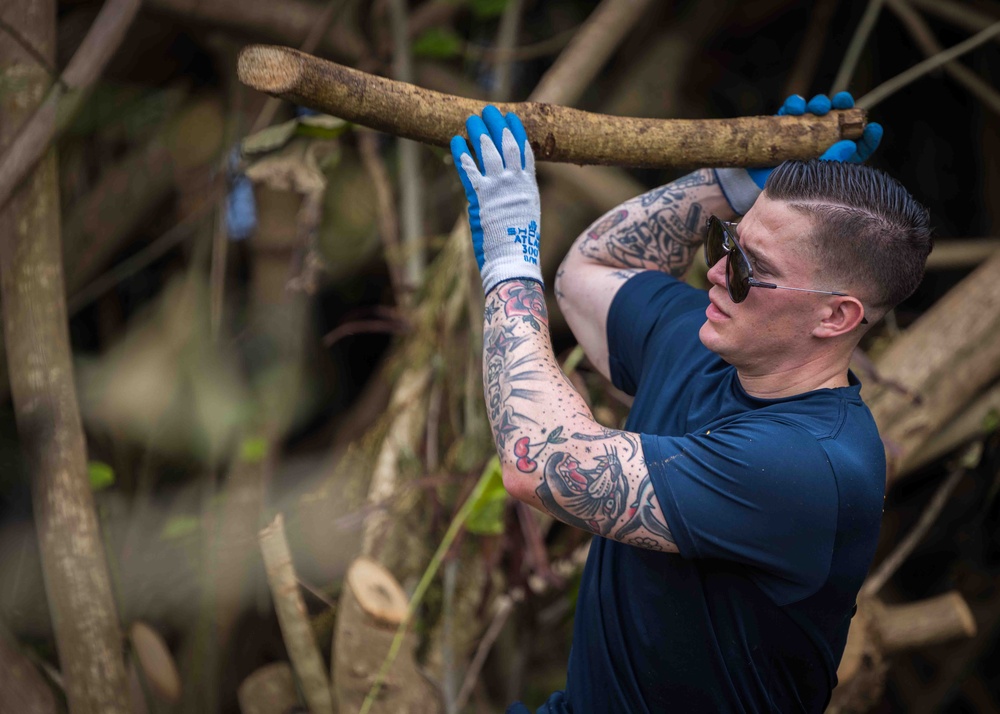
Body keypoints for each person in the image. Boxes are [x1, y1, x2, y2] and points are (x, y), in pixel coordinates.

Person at [449, 93, 932, 713]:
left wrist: (511, 257)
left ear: (835, 316)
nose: (715, 273)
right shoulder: (709, 343)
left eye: (748, 268)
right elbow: (593, 269)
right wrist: (726, 183)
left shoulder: (812, 467)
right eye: (724, 241)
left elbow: (537, 462)